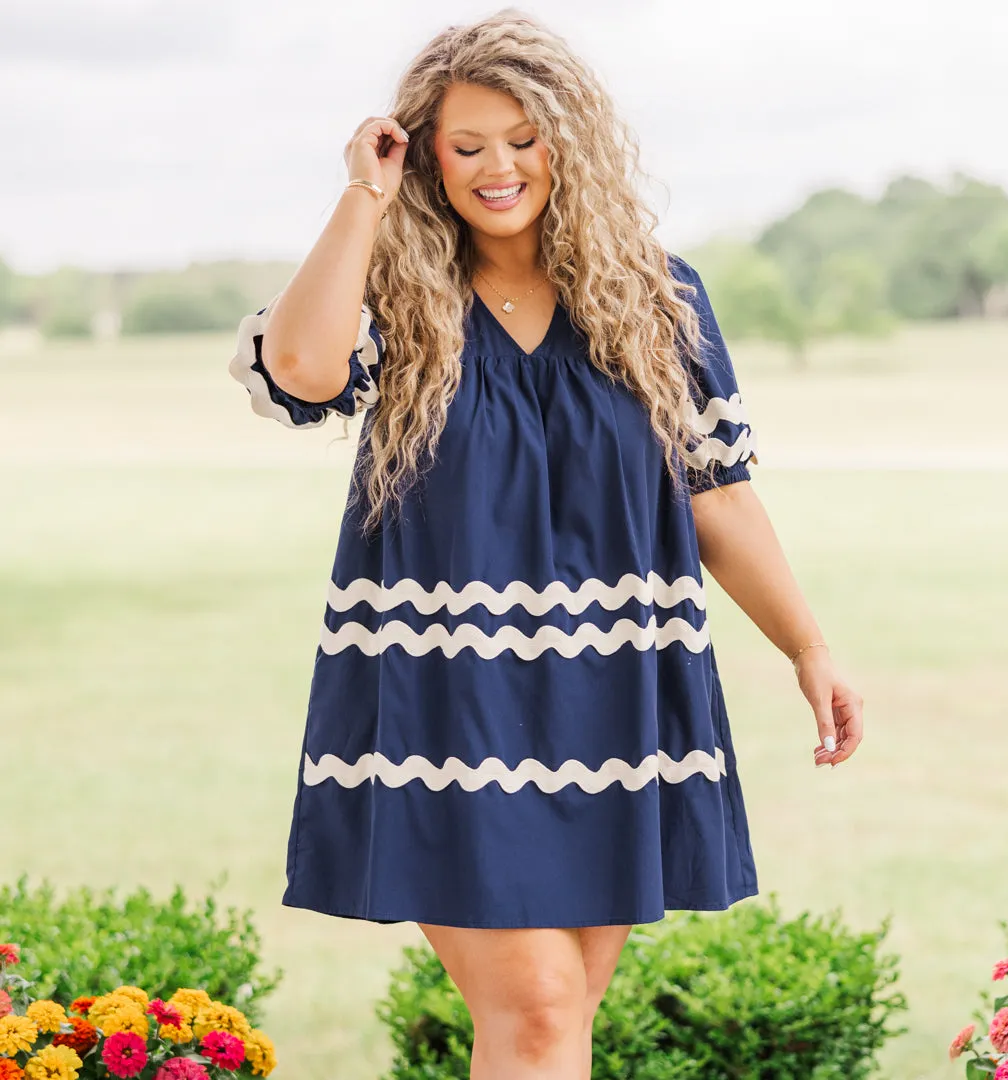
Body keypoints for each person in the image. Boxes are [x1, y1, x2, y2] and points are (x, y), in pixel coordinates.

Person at [228, 9, 864, 1079]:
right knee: (537, 1008)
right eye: (466, 144)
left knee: (555, 1024)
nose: (498, 167)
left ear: (570, 139)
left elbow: (718, 495)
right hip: (444, 697)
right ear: (426, 152)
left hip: (616, 687)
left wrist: (808, 647)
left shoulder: (656, 297)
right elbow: (298, 369)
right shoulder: (395, 286)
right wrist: (362, 195)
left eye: (523, 138)